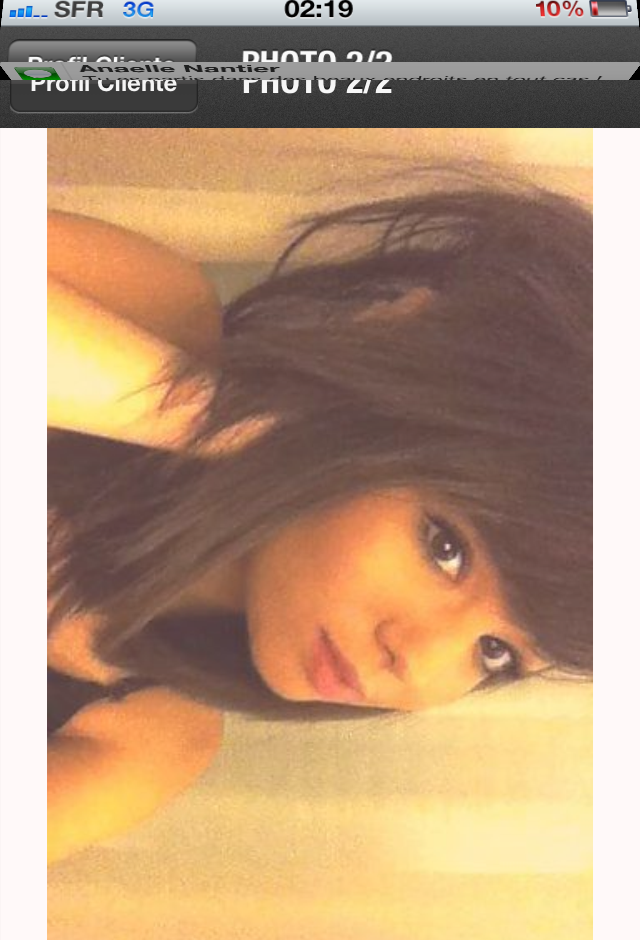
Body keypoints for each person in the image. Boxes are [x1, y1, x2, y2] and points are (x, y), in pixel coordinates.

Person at [47, 179, 592, 862]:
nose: (416, 658)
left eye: (495, 654)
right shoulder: (151, 308)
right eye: (446, 548)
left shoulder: (149, 738)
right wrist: (215, 421)